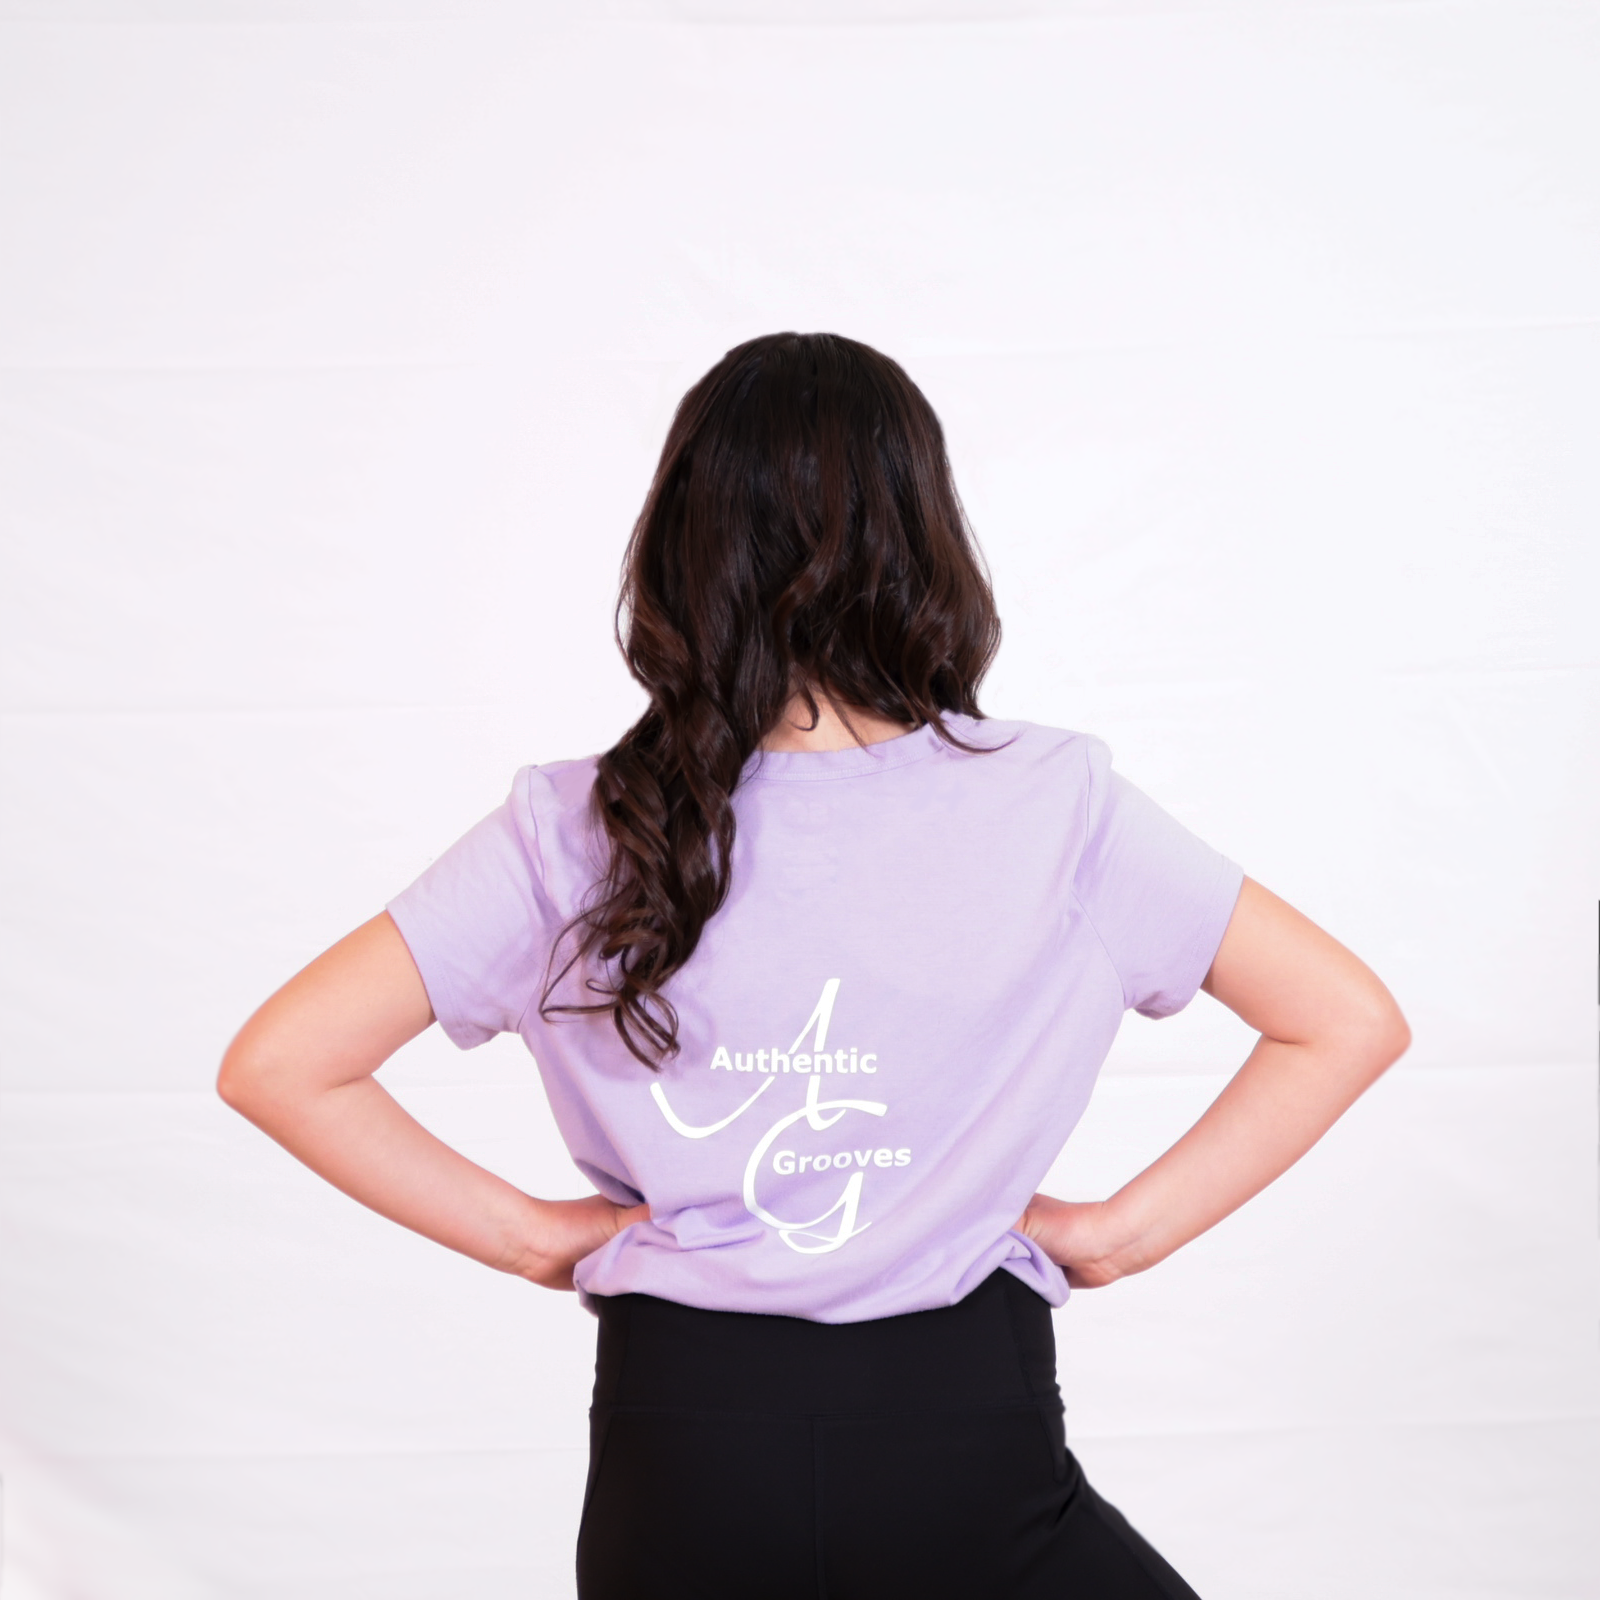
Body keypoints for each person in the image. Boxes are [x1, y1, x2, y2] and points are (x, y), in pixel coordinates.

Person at [218, 331, 1410, 1599]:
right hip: (962, 1430)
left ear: (681, 545)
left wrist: (531, 1239)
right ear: (922, 534)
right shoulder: (1058, 804)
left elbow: (282, 1063)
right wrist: (1117, 1238)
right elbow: (1344, 1018)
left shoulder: (571, 825)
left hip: (680, 1450)